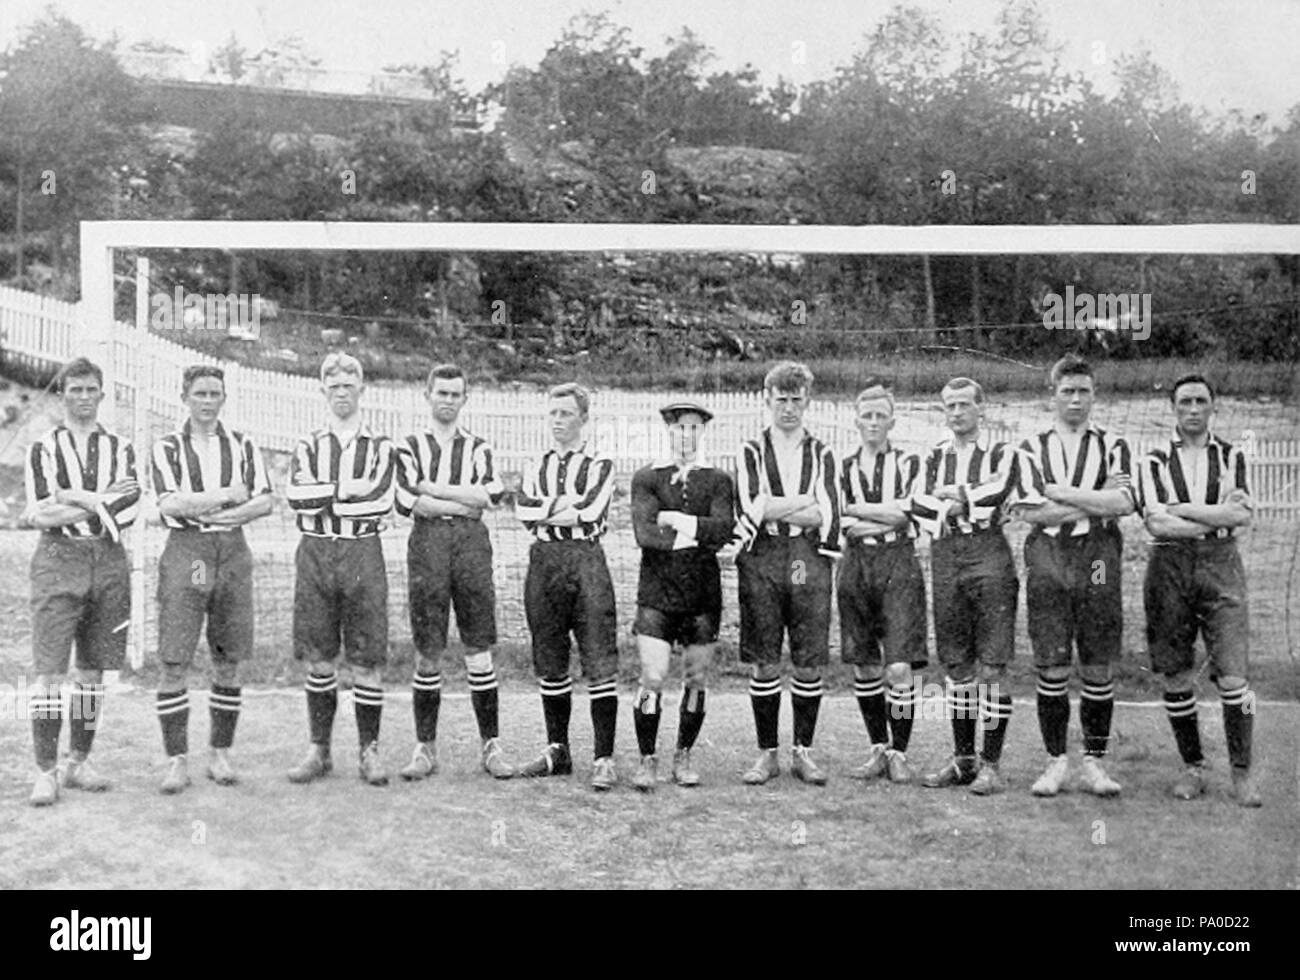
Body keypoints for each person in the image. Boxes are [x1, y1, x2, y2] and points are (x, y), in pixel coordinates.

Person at [911, 377, 1042, 795]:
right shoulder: (934, 455)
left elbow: (998, 489)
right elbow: (916, 501)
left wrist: (954, 498)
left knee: (992, 663)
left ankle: (991, 763)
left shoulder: (1002, 452)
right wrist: (957, 502)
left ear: (980, 409)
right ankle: (963, 759)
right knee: (957, 663)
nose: (956, 412)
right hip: (947, 552)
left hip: (988, 553)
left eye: (965, 404)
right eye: (949, 405)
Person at [1137, 374, 1261, 806]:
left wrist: (1186, 508)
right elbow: (1157, 522)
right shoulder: (1153, 460)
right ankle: (1194, 766)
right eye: (1185, 401)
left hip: (1221, 563)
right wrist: (1215, 513)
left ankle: (1241, 772)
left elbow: (1241, 515)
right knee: (1175, 673)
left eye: (1201, 401)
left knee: (1234, 677)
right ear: (1173, 408)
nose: (1193, 409)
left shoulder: (1232, 456)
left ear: (1213, 406)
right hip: (1169, 565)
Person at [150, 365, 274, 793]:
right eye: (199, 393)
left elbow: (264, 501)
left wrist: (222, 513)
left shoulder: (242, 444)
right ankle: (177, 759)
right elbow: (171, 503)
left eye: (214, 394)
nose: (207, 401)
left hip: (230, 551)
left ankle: (220, 752)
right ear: (185, 396)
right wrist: (225, 494)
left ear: (224, 398)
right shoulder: (167, 447)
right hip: (191, 554)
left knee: (227, 654)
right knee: (175, 655)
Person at [23, 357, 140, 807]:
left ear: (102, 395)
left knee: (91, 672)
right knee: (51, 671)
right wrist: (99, 503)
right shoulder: (44, 448)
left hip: (108, 559)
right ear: (62, 394)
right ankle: (45, 770)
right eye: (75, 390)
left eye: (91, 390)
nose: (84, 397)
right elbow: (38, 514)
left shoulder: (121, 448)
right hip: (57, 557)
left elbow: (127, 508)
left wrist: (70, 496)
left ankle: (79, 760)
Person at [1013, 355, 1131, 797]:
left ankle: (1095, 763)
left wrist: (1061, 493)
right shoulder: (1030, 448)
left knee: (1098, 662)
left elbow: (1123, 503)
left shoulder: (1113, 445)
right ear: (1053, 396)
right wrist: (1094, 498)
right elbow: (1031, 510)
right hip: (1049, 553)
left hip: (1099, 553)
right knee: (1052, 661)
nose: (1076, 399)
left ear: (1094, 395)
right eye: (1068, 391)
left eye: (1084, 391)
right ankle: (1056, 761)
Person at [394, 364, 516, 780]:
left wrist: (435, 489)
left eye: (455, 394)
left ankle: (491, 745)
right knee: (428, 649)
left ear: (466, 399)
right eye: (441, 392)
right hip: (427, 544)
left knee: (478, 647)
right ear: (426, 394)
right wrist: (462, 500)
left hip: (470, 546)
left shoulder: (478, 448)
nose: (447, 400)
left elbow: (491, 496)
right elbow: (411, 502)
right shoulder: (409, 446)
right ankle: (425, 747)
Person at [284, 353, 398, 786]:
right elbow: (297, 495)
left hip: (361, 551)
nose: (342, 392)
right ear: (323, 391)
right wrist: (343, 491)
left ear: (361, 390)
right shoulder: (308, 444)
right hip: (315, 551)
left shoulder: (381, 446)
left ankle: (369, 751)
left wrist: (325, 493)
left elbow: (379, 501)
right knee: (319, 656)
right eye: (334, 386)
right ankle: (320, 749)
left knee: (367, 656)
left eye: (349, 385)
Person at [733, 361, 841, 785]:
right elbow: (750, 507)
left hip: (803, 558)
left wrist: (774, 505)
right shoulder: (751, 450)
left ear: (808, 401)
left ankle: (803, 751)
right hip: (764, 557)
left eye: (797, 400)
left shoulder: (823, 453)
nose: (790, 408)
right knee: (764, 657)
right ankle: (766, 754)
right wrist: (799, 504)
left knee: (807, 656)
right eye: (782, 399)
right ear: (767, 400)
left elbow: (827, 510)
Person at [515, 383, 620, 791]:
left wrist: (549, 508)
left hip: (586, 560)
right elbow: (523, 511)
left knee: (598, 658)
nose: (558, 421)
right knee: (550, 658)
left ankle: (603, 757)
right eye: (553, 413)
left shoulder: (600, 463)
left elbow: (591, 510)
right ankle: (558, 750)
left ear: (583, 419)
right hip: (544, 561)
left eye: (566, 414)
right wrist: (565, 506)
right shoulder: (534, 462)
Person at [628, 400, 735, 790]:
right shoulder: (647, 477)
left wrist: (675, 519)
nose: (686, 436)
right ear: (668, 431)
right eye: (679, 428)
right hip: (657, 592)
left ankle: (683, 754)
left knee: (696, 678)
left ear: (702, 432)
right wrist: (697, 534)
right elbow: (645, 535)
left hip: (702, 593)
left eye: (694, 428)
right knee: (653, 676)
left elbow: (723, 530)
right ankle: (647, 758)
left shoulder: (719, 480)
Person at [837, 380, 927, 784]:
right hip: (856, 565)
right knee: (866, 666)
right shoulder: (843, 467)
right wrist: (883, 513)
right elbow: (841, 522)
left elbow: (909, 515)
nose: (873, 422)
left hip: (898, 563)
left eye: (880, 415)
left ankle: (900, 752)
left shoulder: (909, 463)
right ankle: (878, 748)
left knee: (899, 667)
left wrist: (862, 511)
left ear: (892, 420)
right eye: (866, 415)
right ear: (856, 420)